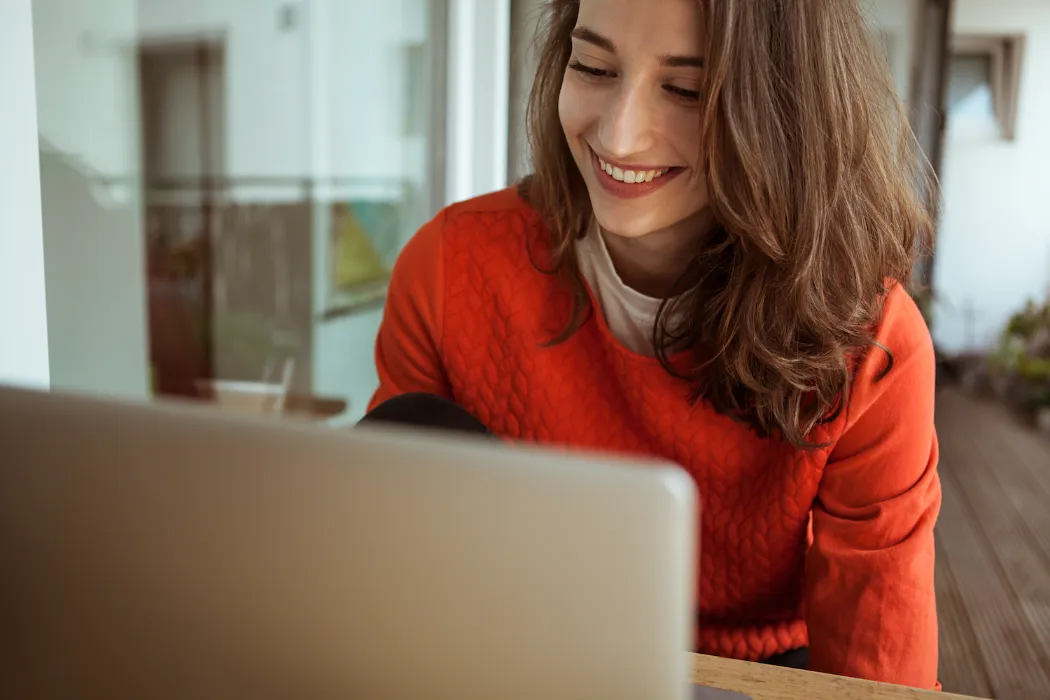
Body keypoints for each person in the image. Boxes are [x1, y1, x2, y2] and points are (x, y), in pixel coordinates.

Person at [364, 0, 941, 690]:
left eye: (686, 89)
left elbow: (877, 671)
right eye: (594, 66)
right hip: (520, 662)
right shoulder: (448, 267)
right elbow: (389, 567)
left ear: (783, 113)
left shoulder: (871, 343)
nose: (620, 135)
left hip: (752, 674)